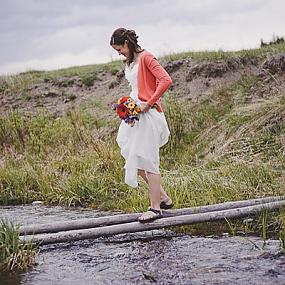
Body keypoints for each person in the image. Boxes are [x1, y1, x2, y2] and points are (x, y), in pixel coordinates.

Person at [110, 28, 173, 222]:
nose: (118, 53)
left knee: (148, 160)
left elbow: (165, 80)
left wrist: (149, 102)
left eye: (119, 48)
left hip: (148, 115)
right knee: (133, 158)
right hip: (134, 114)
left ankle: (155, 209)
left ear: (127, 44)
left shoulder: (146, 57)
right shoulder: (129, 62)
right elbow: (136, 87)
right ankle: (164, 198)